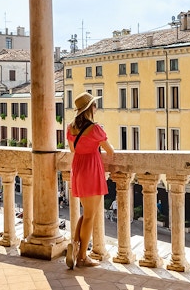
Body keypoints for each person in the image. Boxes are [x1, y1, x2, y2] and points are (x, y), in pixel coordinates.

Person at [65, 92, 114, 269]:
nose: (96, 108)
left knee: (86, 213)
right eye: (94, 105)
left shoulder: (70, 127)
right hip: (91, 170)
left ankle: (75, 245)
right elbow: (110, 151)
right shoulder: (95, 129)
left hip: (78, 169)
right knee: (90, 216)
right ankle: (83, 257)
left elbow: (72, 150)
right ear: (89, 109)